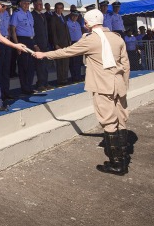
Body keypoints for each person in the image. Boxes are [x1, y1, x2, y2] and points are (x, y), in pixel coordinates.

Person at [33, 9, 130, 175]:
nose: (84, 25)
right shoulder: (117, 38)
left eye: (85, 23)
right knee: (121, 119)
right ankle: (123, 154)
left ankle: (117, 164)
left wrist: (43, 54)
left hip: (103, 86)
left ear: (89, 24)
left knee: (108, 121)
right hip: (119, 85)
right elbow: (126, 64)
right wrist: (124, 85)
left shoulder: (90, 40)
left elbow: (66, 51)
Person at [10, 0, 36, 95]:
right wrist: (17, 45)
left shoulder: (29, 13)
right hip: (21, 40)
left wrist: (34, 43)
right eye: (24, 3)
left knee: (30, 66)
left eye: (28, 3)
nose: (26, 5)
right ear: (20, 3)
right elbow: (13, 30)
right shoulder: (16, 14)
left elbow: (31, 29)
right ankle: (24, 88)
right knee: (23, 66)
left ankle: (29, 86)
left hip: (30, 40)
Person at [31, 0, 51, 91]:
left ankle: (45, 82)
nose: (41, 6)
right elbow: (32, 31)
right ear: (34, 5)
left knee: (45, 65)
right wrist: (35, 44)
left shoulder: (42, 15)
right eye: (39, 4)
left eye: (41, 4)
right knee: (40, 66)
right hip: (38, 44)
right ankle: (40, 84)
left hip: (45, 43)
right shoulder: (32, 15)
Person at [49, 2, 71, 86]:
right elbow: (53, 32)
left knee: (66, 62)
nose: (59, 10)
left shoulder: (63, 17)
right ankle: (60, 80)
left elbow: (67, 30)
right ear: (55, 8)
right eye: (58, 8)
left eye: (61, 8)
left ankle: (65, 78)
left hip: (66, 42)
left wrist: (69, 40)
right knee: (60, 63)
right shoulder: (53, 18)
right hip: (59, 43)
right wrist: (55, 44)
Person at [66, 10, 84, 82]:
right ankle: (74, 77)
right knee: (73, 62)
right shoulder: (67, 23)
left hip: (79, 43)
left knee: (78, 61)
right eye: (74, 15)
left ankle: (78, 76)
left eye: (76, 16)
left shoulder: (78, 23)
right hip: (72, 43)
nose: (75, 17)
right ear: (71, 15)